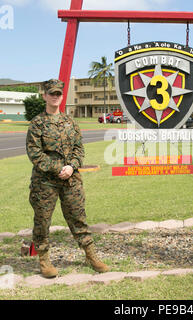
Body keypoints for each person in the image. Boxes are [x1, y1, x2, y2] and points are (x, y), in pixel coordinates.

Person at [26, 79, 109, 278]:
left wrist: (71, 167)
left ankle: (91, 256)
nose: (55, 96)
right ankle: (44, 260)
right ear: (44, 96)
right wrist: (58, 169)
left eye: (58, 94)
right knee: (42, 221)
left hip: (71, 180)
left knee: (78, 219)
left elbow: (79, 149)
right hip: (45, 182)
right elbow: (34, 153)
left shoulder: (71, 123)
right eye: (51, 93)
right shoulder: (37, 123)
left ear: (62, 97)